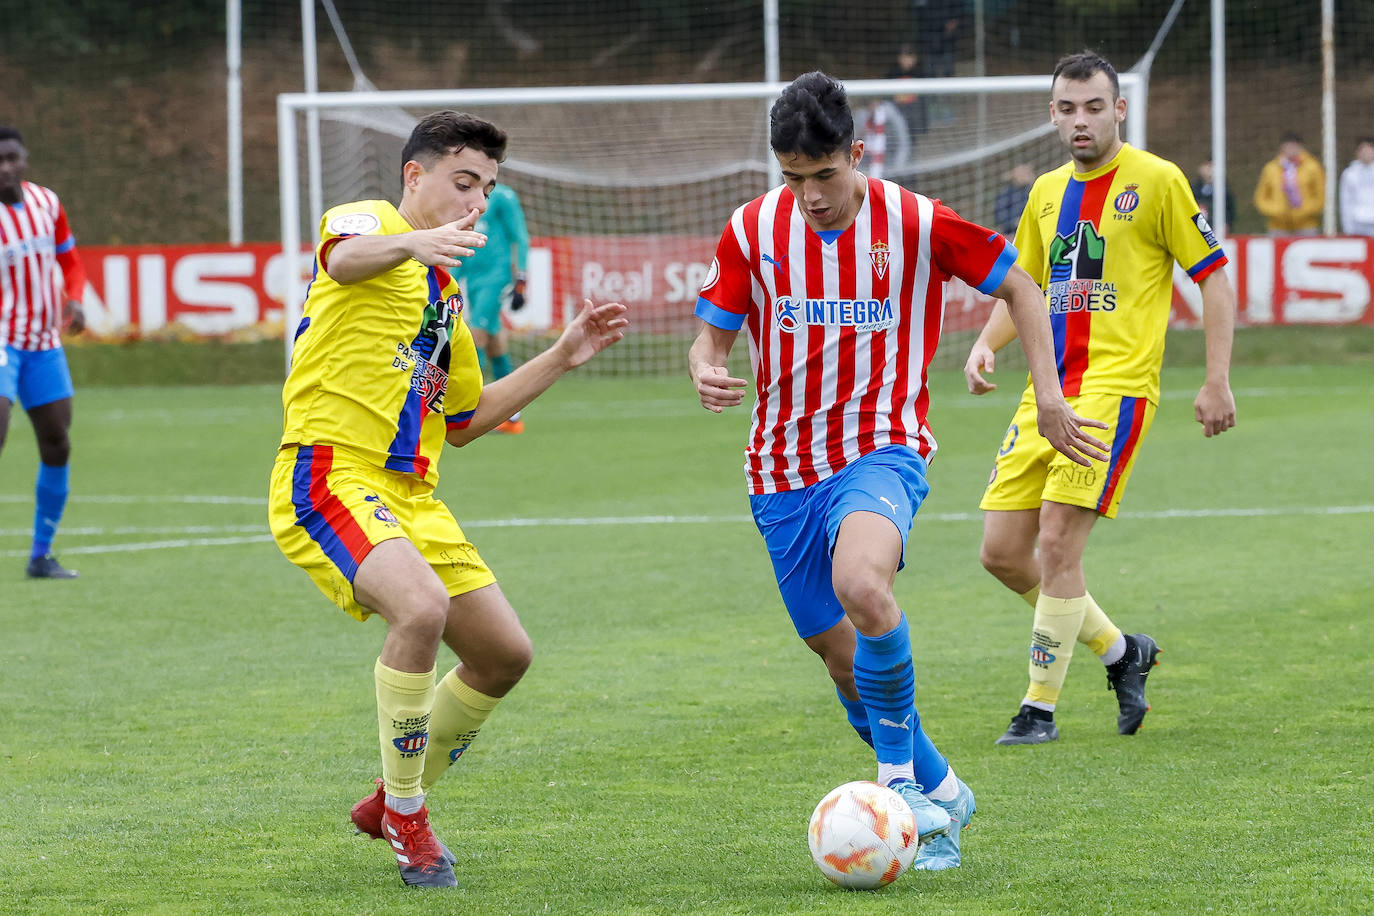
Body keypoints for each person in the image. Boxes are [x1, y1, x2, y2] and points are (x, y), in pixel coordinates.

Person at [688, 72, 1106, 871]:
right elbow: (711, 335)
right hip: (779, 470)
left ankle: (898, 794)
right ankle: (944, 795)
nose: (810, 195)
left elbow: (1020, 282)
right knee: (842, 661)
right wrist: (706, 366)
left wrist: (1048, 396)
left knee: (865, 587)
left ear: (857, 152)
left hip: (884, 446)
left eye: (824, 175)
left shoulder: (915, 221)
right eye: (793, 178)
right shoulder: (751, 229)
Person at [267, 110, 626, 888]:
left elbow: (464, 420)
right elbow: (342, 257)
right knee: (421, 609)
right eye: (465, 183)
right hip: (330, 473)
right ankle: (409, 816)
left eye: (488, 191)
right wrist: (412, 240)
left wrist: (562, 355)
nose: (476, 203)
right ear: (414, 176)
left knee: (505, 655)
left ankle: (388, 797)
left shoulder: (447, 297)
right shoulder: (369, 224)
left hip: (413, 496)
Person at [964, 51, 1237, 747]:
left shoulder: (1157, 181)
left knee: (1056, 541)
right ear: (1051, 115)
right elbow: (1024, 284)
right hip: (1047, 391)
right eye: (1067, 108)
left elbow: (1212, 277)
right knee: (1001, 552)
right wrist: (988, 341)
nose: (1080, 119)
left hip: (1114, 392)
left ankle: (1038, 709)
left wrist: (1215, 379)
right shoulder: (1047, 193)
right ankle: (1122, 652)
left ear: (1120, 109)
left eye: (1093, 106)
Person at [0, 126, 88, 579]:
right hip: (0, 339)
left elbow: (69, 259)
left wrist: (75, 298)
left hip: (42, 342)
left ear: (24, 157)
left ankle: (41, 554)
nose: (6, 168)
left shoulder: (46, 203)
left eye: (11, 157)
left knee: (57, 443)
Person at [461, 181, 530, 433]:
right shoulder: (464, 193)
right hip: (473, 275)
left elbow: (519, 236)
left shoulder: (503, 196)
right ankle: (512, 414)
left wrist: (521, 277)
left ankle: (470, 410)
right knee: (494, 340)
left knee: (476, 333)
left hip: (497, 275)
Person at [1253, 132, 1325, 236]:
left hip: (1306, 225)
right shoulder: (1271, 168)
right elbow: (1260, 198)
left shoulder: (1312, 167)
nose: (1291, 149)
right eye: (1288, 146)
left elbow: (1320, 196)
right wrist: (1276, 211)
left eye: (1294, 146)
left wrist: (1303, 211)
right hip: (1277, 226)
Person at [1338, 137, 1374, 236]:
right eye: (1363, 150)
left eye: (1369, 149)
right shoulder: (1349, 173)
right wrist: (1347, 226)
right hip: (1357, 222)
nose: (1366, 153)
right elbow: (1345, 200)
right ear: (1357, 153)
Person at [1191, 159, 1236, 235]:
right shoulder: (1193, 189)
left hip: (1217, 232)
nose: (1210, 171)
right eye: (1207, 167)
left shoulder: (1225, 191)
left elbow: (1230, 210)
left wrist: (1226, 224)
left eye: (1212, 167)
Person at [993, 162, 1034, 238]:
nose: (1024, 175)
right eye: (1021, 173)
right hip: (1011, 235)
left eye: (1026, 172)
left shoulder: (1033, 191)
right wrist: (1014, 223)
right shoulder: (1006, 194)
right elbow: (999, 218)